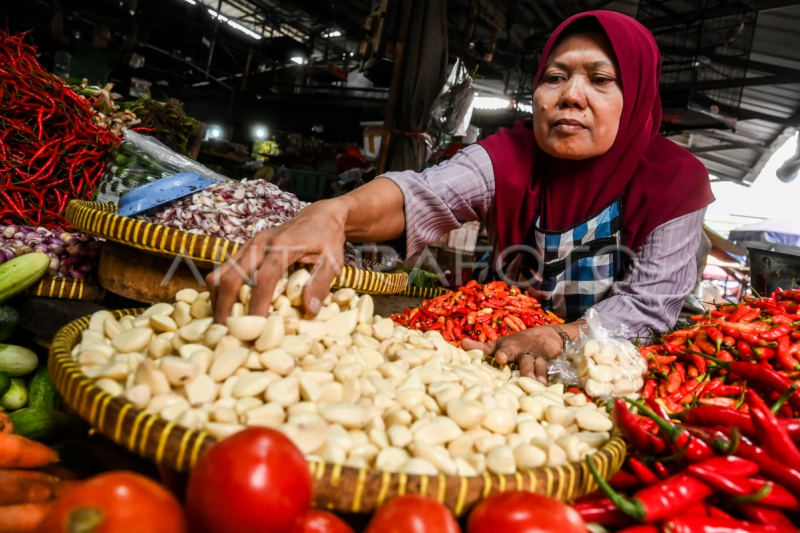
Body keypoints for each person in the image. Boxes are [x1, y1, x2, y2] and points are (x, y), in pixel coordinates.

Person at [208, 11, 714, 382]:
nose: (571, 95)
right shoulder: (510, 155)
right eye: (555, 77)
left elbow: (648, 308)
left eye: (601, 80)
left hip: (604, 370)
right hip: (488, 351)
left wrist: (560, 337)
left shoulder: (674, 180)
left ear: (638, 98)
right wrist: (334, 213)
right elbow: (423, 194)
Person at [52, 0, 139, 86]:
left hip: (92, 97)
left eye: (103, 35)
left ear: (107, 41)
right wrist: (58, 10)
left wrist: (135, 27)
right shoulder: (79, 47)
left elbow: (125, 48)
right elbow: (58, 34)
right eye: (100, 32)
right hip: (71, 91)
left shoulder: (108, 57)